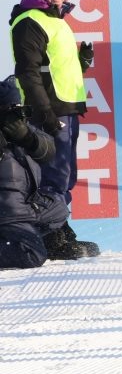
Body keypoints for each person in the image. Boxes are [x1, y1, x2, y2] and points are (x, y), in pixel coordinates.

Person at [9, 0, 99, 258]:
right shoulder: (30, 20)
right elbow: (28, 72)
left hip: (66, 107)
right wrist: (45, 114)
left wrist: (81, 62)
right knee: (52, 175)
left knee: (65, 174)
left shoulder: (57, 19)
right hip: (47, 111)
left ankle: (60, 227)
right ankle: (51, 236)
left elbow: (55, 69)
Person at [0, 75, 68, 268]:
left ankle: (57, 244)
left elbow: (49, 151)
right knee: (32, 255)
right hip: (8, 210)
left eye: (19, 110)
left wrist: (28, 138)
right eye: (10, 111)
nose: (17, 117)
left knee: (59, 208)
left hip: (28, 203)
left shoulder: (23, 128)